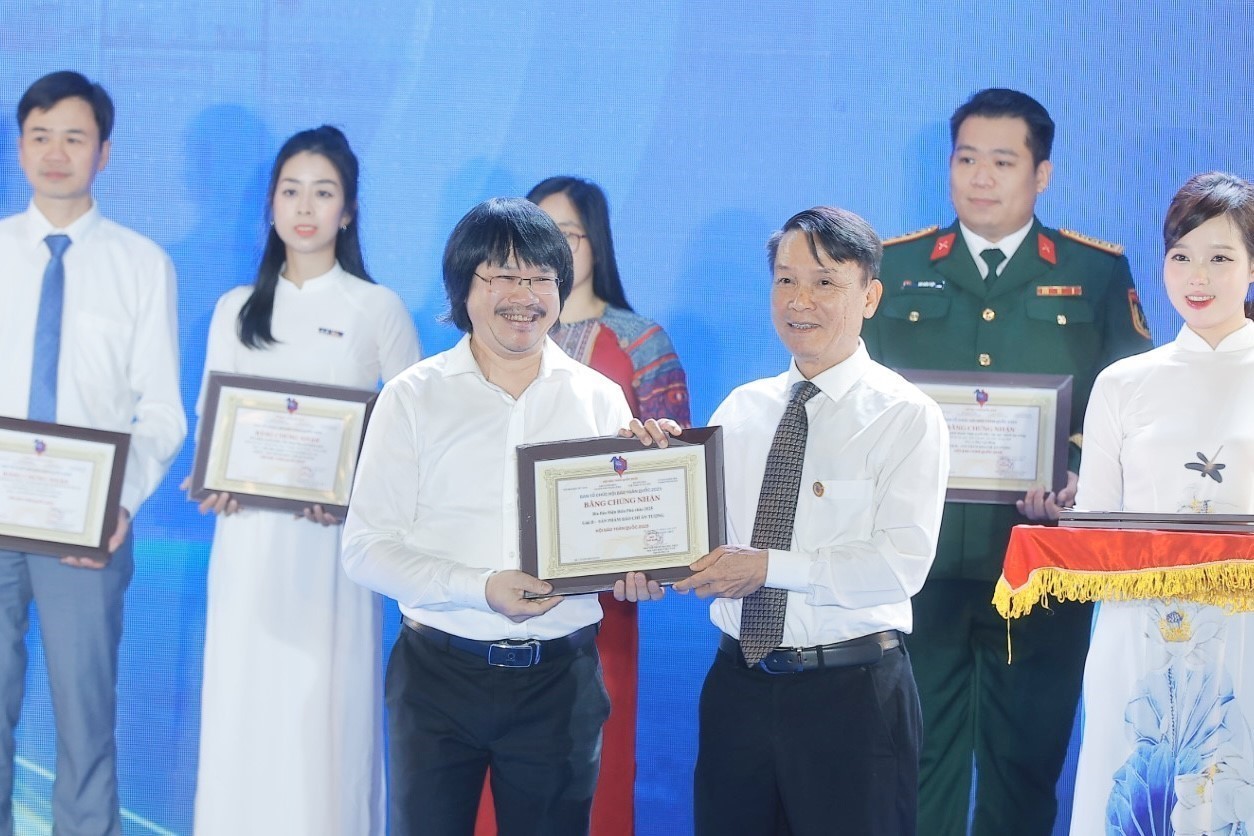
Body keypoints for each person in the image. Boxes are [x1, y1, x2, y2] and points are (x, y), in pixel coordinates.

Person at [861, 87, 1154, 835]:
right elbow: (858, 401)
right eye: (966, 159)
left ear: (1041, 174)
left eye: (1002, 161)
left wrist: (1081, 474)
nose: (981, 178)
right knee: (913, 756)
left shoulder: (1095, 273)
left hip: (1042, 560)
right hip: (918, 560)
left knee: (1026, 763)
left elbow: (1135, 408)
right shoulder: (891, 267)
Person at [341, 197, 671, 835]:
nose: (524, 296)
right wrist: (479, 587)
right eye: (502, 276)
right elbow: (365, 549)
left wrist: (644, 565)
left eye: (541, 277)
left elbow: (621, 537)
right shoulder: (412, 397)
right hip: (437, 678)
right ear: (464, 287)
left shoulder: (600, 400)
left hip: (560, 681)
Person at [673, 206, 949, 834]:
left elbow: (899, 566)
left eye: (825, 282)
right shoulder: (740, 409)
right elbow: (694, 536)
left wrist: (767, 569)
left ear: (869, 296)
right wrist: (648, 482)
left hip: (851, 696)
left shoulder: (906, 415)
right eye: (785, 280)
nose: (800, 301)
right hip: (738, 688)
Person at [189, 126, 421, 836]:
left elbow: (414, 437)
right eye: (291, 191)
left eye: (323, 192)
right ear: (270, 204)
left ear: (348, 211)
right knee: (243, 709)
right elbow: (210, 429)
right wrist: (213, 479)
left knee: (325, 721)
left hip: (333, 553)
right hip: (247, 544)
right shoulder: (235, 308)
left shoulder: (376, 308)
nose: (305, 207)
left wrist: (356, 495)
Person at [0, 71, 185, 836]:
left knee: (85, 722)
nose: (55, 152)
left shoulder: (141, 264)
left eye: (73, 138)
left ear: (103, 152)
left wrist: (120, 502)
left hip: (88, 528)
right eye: (40, 136)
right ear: (19, 148)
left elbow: (162, 411)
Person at [1068, 172, 1254, 835]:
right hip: (1138, 635)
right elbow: (1092, 530)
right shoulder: (1123, 383)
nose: (1197, 276)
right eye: (1181, 256)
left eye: (1220, 257)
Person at [522, 175, 691, 836]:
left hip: (606, 599)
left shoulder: (641, 342)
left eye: (568, 235)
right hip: (502, 592)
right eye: (538, 234)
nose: (553, 249)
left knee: (594, 766)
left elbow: (674, 480)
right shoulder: (501, 337)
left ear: (597, 241)